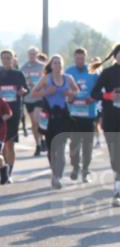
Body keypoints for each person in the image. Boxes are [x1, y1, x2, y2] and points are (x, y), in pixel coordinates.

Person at [30, 55, 79, 189]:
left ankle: (58, 174)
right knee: (52, 148)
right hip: (49, 117)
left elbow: (76, 91)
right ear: (51, 66)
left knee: (61, 148)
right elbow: (33, 94)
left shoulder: (68, 78)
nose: (57, 65)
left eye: (59, 63)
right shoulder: (46, 79)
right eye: (55, 63)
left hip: (63, 116)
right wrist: (46, 91)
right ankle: (54, 174)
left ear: (62, 65)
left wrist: (70, 93)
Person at [89, 43, 120, 206]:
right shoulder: (108, 73)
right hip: (111, 118)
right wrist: (109, 96)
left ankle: (118, 188)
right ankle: (118, 186)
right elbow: (94, 92)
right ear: (115, 56)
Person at [0, 50, 29, 181]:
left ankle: (9, 171)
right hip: (0, 113)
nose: (6, 60)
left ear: (13, 59)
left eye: (9, 58)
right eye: (4, 58)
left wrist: (22, 92)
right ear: (1, 60)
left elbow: (26, 90)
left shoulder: (19, 75)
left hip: (14, 111)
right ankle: (4, 169)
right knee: (1, 143)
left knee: (10, 143)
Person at [64, 47, 100, 183]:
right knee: (74, 144)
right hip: (73, 114)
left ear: (85, 57)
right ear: (74, 58)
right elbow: (64, 89)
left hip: (89, 114)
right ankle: (75, 167)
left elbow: (100, 89)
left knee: (87, 145)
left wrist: (93, 98)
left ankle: (85, 170)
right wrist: (69, 97)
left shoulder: (93, 72)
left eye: (82, 58)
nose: (80, 60)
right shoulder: (68, 72)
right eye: (77, 58)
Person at [20, 47, 46, 156]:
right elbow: (21, 82)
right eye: (30, 54)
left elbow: (47, 80)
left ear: (37, 54)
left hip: (39, 97)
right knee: (34, 123)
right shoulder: (24, 68)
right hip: (28, 98)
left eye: (34, 53)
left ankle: (43, 139)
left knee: (37, 119)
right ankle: (38, 144)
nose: (32, 55)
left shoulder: (42, 66)